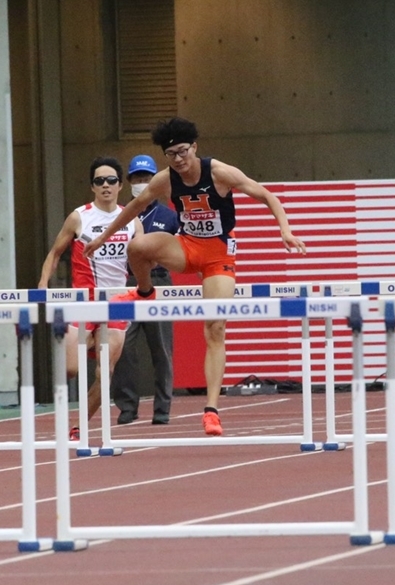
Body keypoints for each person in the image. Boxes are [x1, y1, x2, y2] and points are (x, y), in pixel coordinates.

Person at [83, 117, 306, 437]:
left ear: (195, 148)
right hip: (186, 248)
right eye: (171, 154)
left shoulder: (219, 172)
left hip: (218, 256)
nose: (178, 159)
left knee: (215, 326)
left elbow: (266, 195)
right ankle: (144, 293)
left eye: (183, 152)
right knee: (138, 246)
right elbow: (133, 208)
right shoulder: (165, 179)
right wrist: (103, 237)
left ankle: (212, 411)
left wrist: (284, 229)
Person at [38, 157, 143, 441]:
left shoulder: (132, 219)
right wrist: (43, 284)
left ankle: (80, 426)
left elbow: (142, 259)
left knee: (104, 373)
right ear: (93, 187)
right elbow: (54, 253)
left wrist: (144, 288)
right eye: (100, 181)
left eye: (111, 180)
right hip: (84, 302)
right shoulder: (79, 217)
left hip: (118, 302)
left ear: (121, 185)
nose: (106, 186)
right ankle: (93, 342)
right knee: (71, 368)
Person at [111, 155, 179, 425]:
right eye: (137, 179)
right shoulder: (122, 213)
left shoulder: (170, 216)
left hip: (159, 282)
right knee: (123, 346)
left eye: (147, 178)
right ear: (129, 183)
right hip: (126, 283)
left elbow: (182, 248)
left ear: (156, 181)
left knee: (161, 348)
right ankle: (127, 406)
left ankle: (162, 408)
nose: (142, 183)